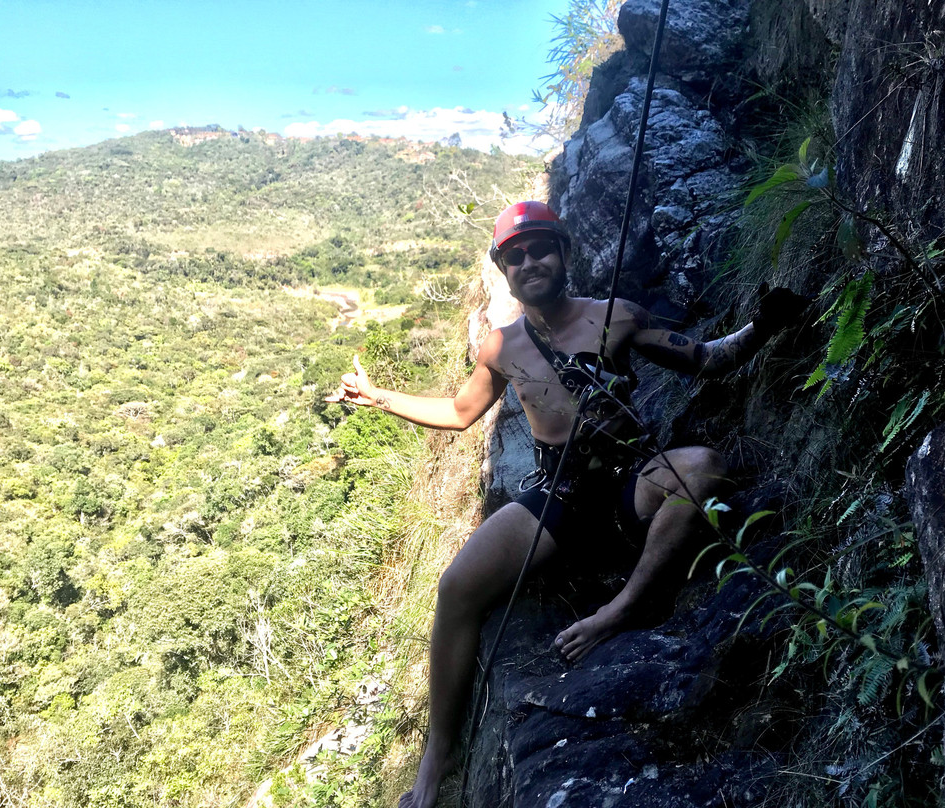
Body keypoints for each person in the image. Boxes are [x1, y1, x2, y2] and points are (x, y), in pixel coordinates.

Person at [326, 201, 807, 808]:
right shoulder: (501, 347)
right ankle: (437, 756)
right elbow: (458, 413)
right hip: (556, 496)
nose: (530, 262)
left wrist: (763, 325)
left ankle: (621, 608)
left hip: (629, 482)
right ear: (504, 270)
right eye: (515, 255)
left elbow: (706, 359)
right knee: (455, 589)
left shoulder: (618, 317)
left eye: (541, 249)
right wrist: (379, 398)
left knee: (702, 470)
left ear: (565, 254)